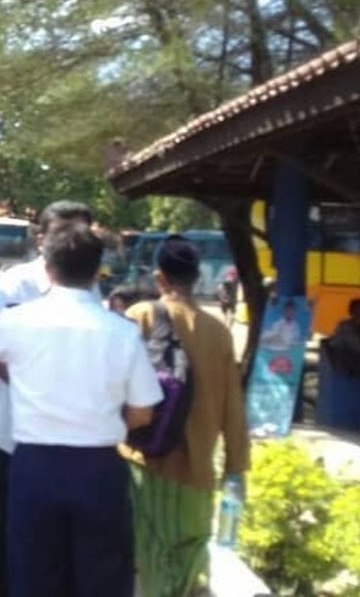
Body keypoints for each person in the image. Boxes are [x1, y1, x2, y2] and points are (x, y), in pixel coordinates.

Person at [0, 223, 163, 597]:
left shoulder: (18, 321)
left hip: (34, 467)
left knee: (33, 576)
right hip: (99, 468)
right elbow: (143, 413)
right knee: (101, 578)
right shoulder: (121, 332)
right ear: (96, 271)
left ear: (49, 268)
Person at [0, 199, 97, 597]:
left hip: (64, 443)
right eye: (64, 232)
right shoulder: (14, 284)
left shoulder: (93, 288)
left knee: (50, 550)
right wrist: (46, 388)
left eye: (82, 234)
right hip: (8, 437)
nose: (72, 242)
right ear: (42, 238)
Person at [123, 235, 250, 597]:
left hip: (143, 465)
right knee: (191, 560)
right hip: (196, 472)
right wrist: (236, 468)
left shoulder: (140, 316)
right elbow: (233, 408)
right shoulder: (219, 333)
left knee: (150, 559)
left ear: (160, 277)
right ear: (196, 278)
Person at [323, 299, 360, 377]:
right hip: (350, 366)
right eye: (356, 310)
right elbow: (335, 345)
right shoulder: (343, 326)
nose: (358, 313)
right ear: (351, 312)